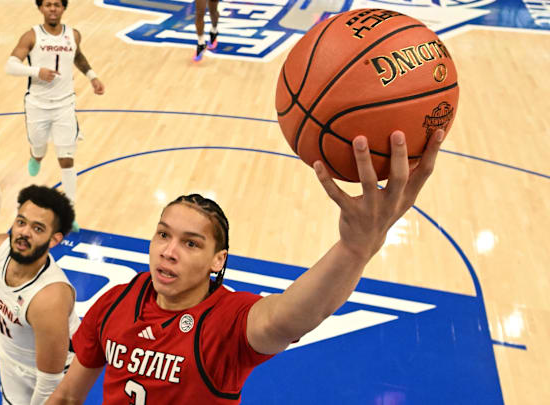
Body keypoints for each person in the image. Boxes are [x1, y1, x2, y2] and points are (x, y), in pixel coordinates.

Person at [45, 129, 446, 404]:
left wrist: (354, 248)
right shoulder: (117, 301)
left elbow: (286, 319)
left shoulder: (225, 322)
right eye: (163, 235)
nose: (168, 252)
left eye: (190, 243)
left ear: (218, 260)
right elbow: (67, 394)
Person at [0, 185, 80, 405]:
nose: (24, 232)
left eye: (37, 229)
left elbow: (49, 382)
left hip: (52, 374)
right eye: (21, 222)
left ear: (54, 240)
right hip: (10, 356)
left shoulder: (49, 299)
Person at [5, 0, 105, 232]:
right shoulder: (31, 36)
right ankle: (36, 156)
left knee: (67, 158)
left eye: (57, 5)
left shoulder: (73, 35)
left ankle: (69, 214)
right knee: (39, 147)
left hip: (65, 105)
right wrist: (36, 71)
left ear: (63, 8)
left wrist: (92, 76)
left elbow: (77, 56)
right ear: (40, 8)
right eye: (48, 4)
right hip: (37, 105)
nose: (52, 8)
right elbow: (10, 66)